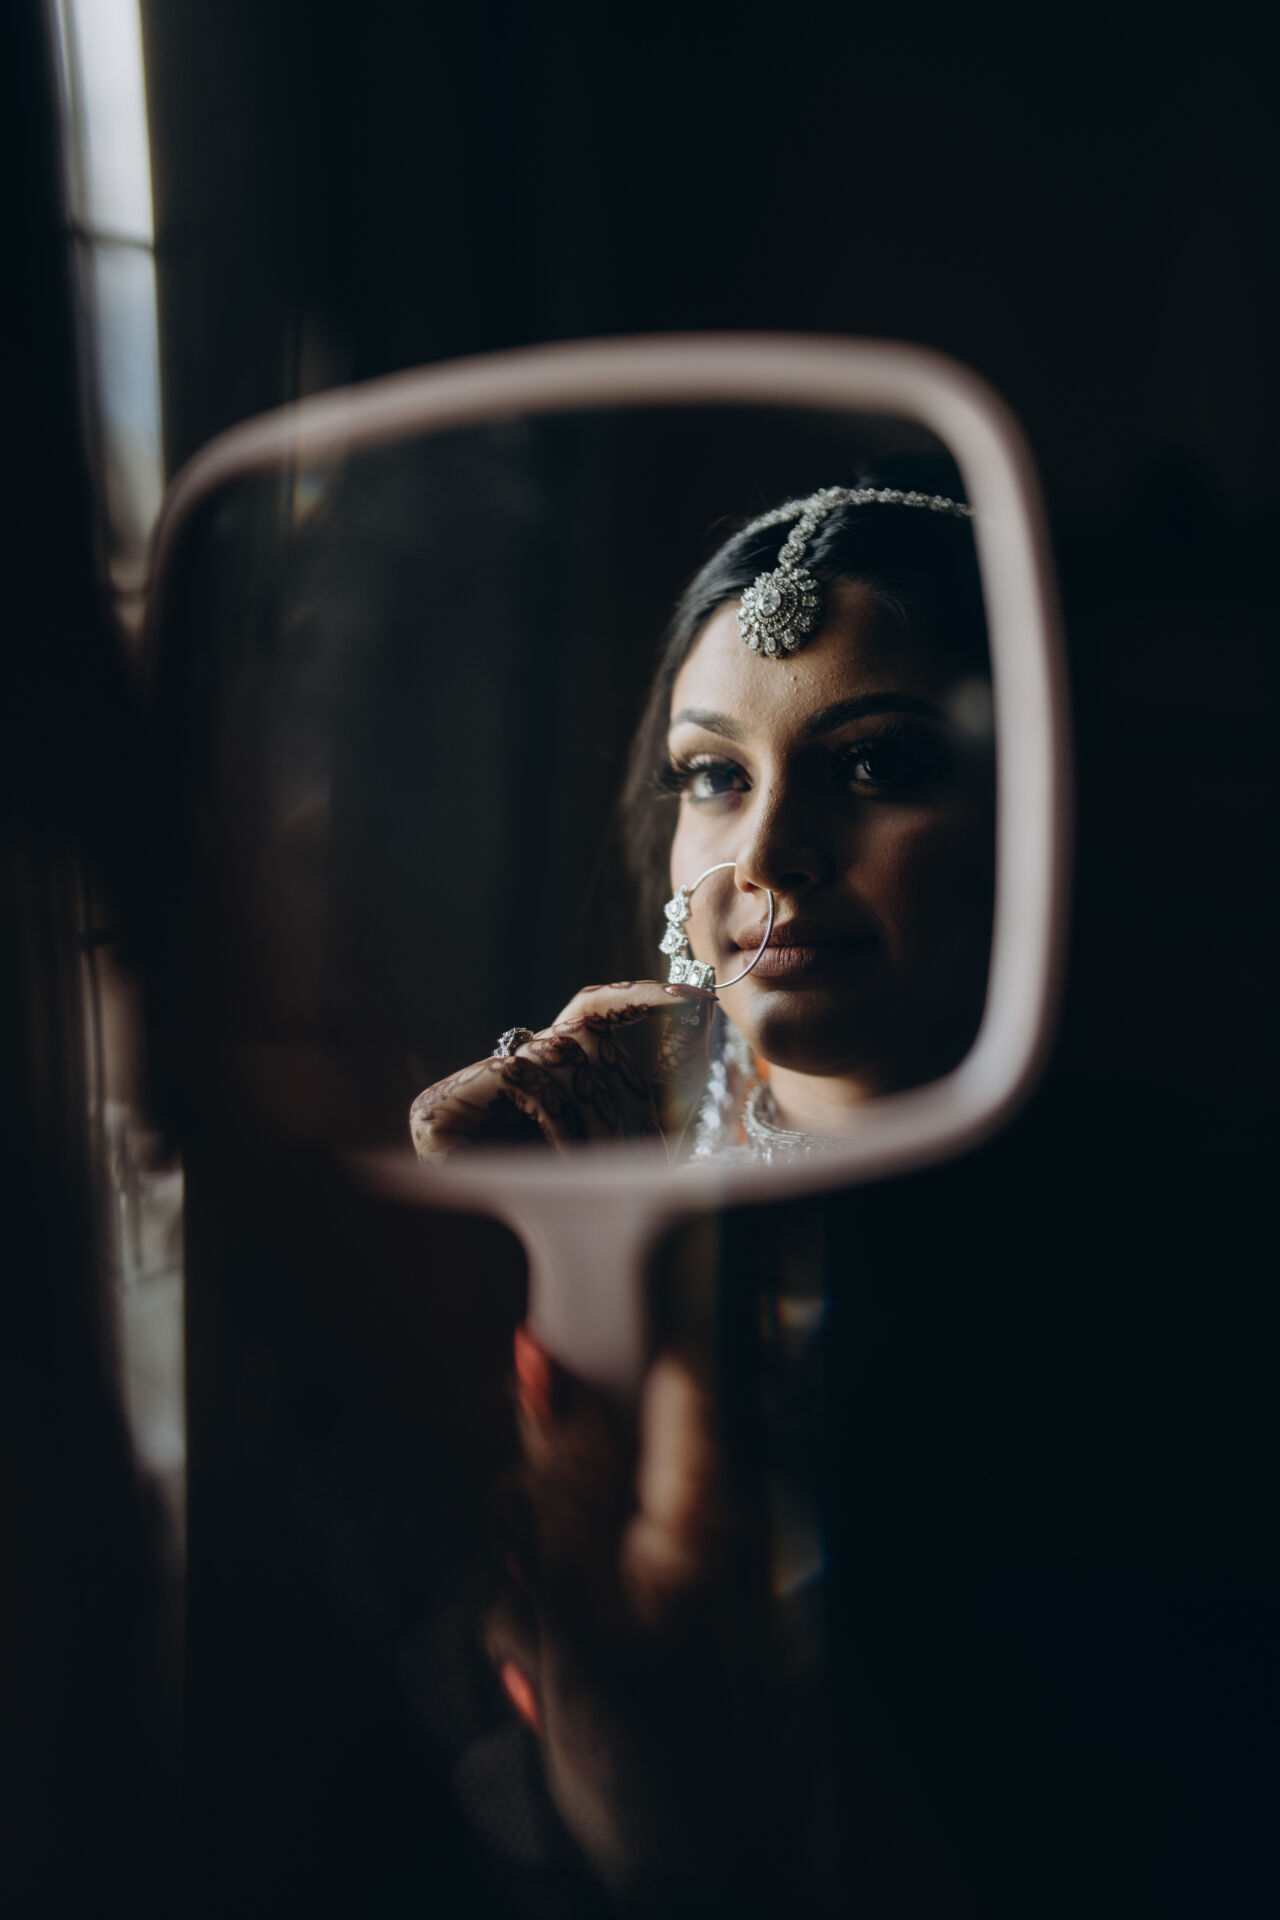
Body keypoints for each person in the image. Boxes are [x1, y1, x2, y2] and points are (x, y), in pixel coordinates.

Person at [409, 457, 993, 1167]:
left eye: (874, 766)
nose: (762, 860)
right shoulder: (619, 1165)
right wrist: (591, 1204)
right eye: (717, 775)